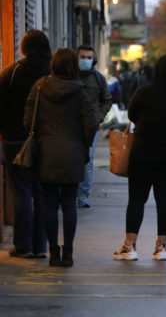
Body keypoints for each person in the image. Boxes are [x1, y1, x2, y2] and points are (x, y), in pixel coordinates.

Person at [24, 48, 96, 266]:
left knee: (49, 204)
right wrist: (82, 143)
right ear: (73, 65)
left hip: (46, 152)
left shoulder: (39, 87)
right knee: (69, 203)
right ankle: (69, 253)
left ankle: (53, 252)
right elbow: (90, 123)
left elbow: (28, 121)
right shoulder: (81, 92)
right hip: (73, 154)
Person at [113, 55, 166, 261]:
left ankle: (129, 247)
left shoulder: (144, 91)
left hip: (143, 152)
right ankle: (161, 247)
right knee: (165, 199)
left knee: (137, 199)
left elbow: (131, 115)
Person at [0, 30, 51, 259]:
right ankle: (41, 246)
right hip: (46, 141)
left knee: (21, 192)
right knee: (42, 194)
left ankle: (23, 246)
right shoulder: (53, 74)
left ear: (23, 48)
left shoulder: (11, 73)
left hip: (14, 140)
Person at [76, 45, 112, 208]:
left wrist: (98, 117)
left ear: (94, 60)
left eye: (89, 58)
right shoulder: (69, 76)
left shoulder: (98, 78)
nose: (85, 60)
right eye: (82, 57)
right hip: (70, 125)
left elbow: (107, 99)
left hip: (91, 127)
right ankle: (70, 193)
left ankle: (83, 195)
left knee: (87, 161)